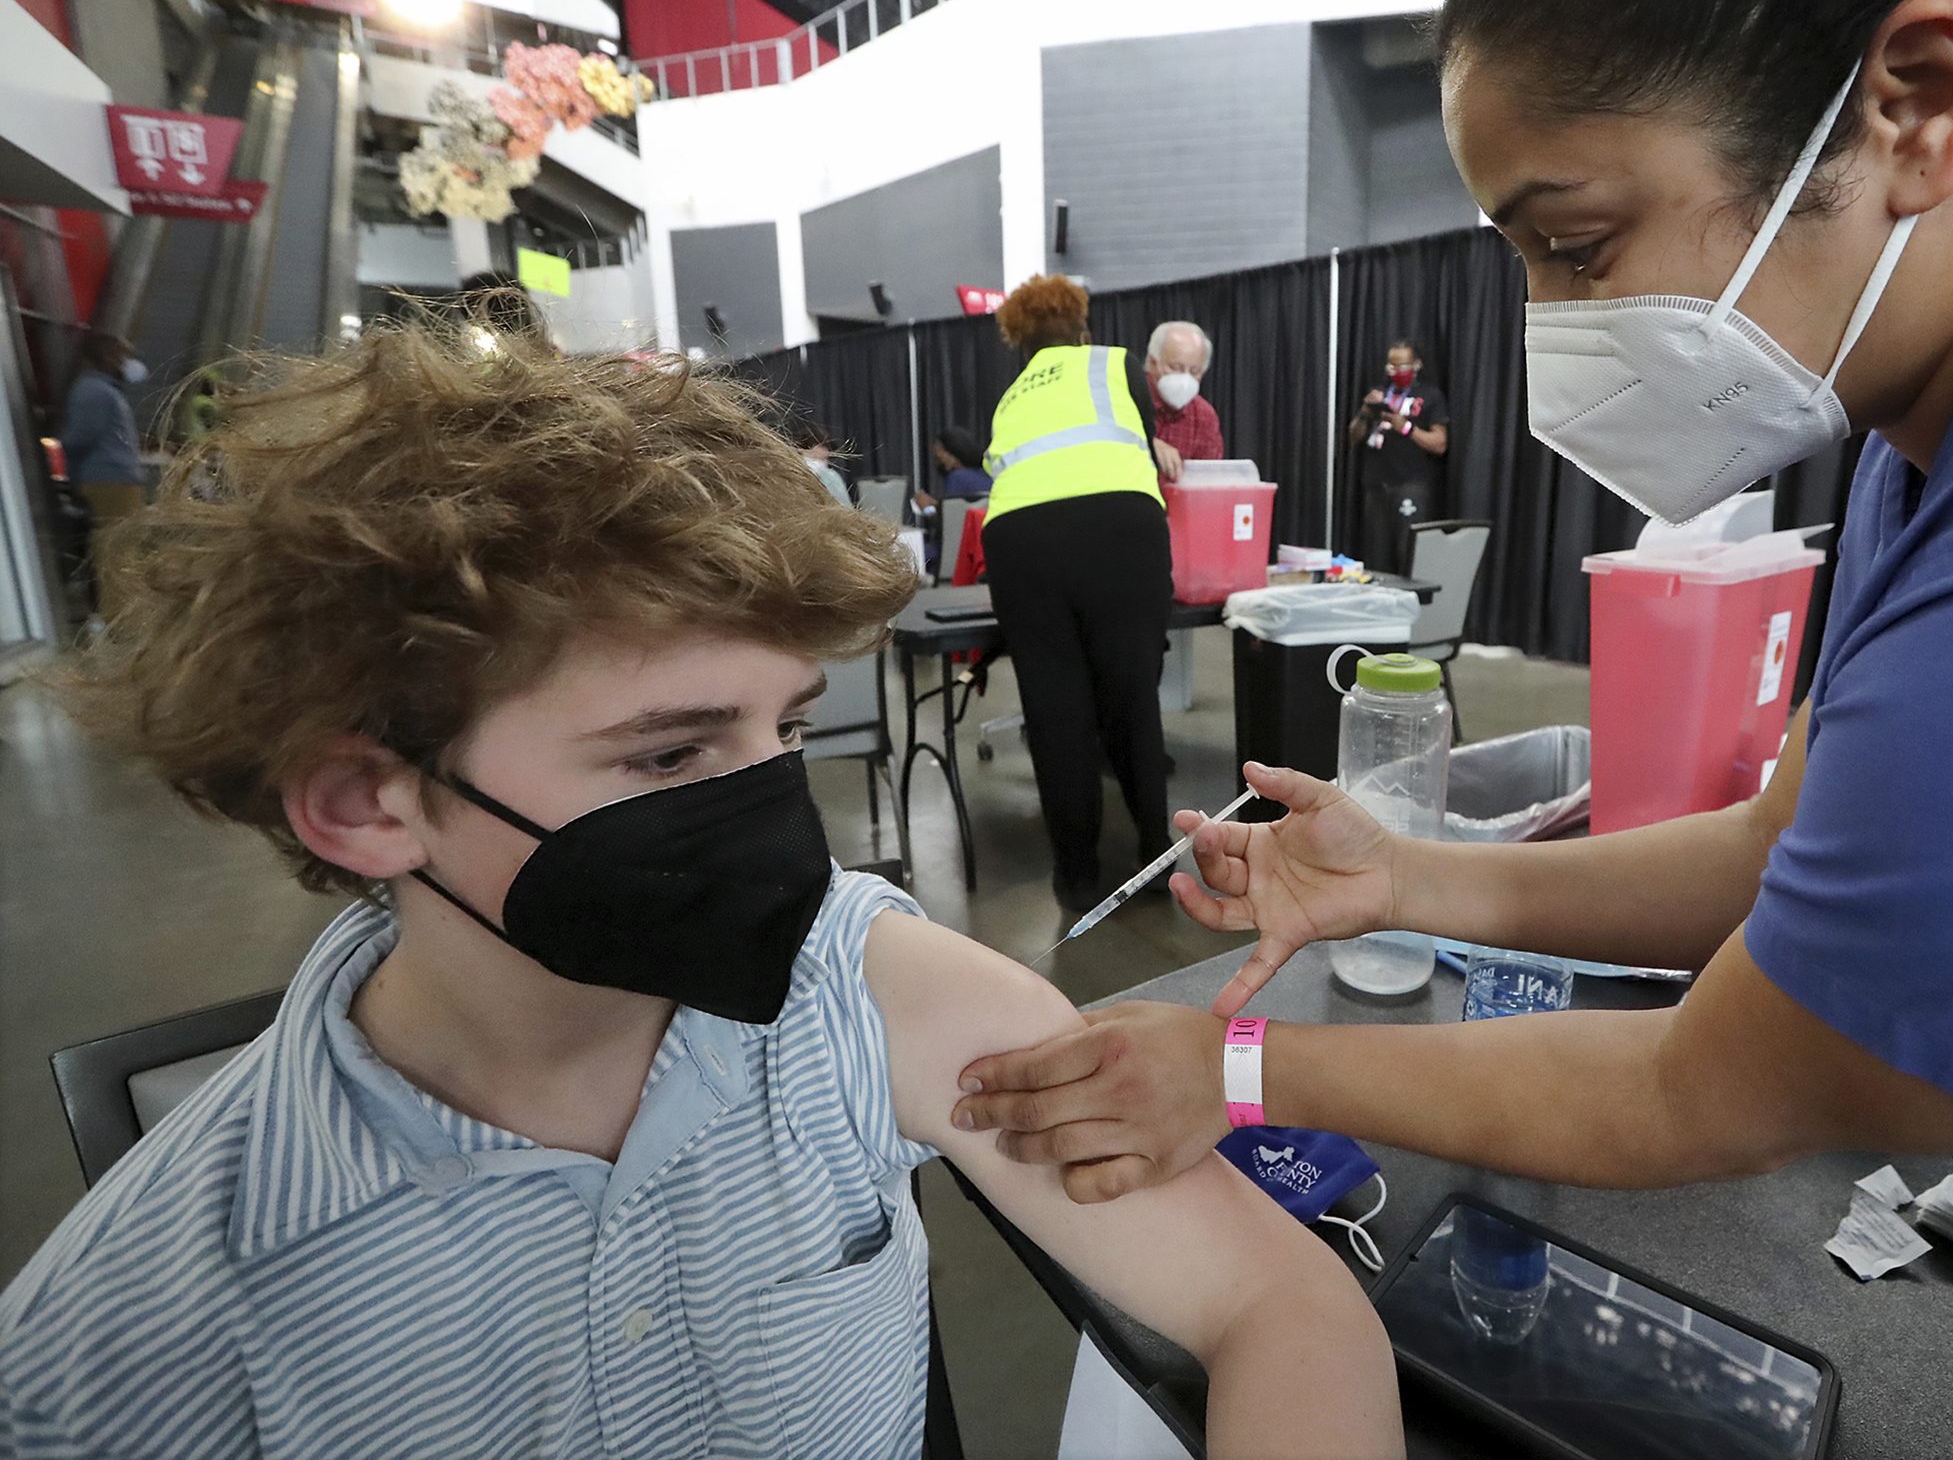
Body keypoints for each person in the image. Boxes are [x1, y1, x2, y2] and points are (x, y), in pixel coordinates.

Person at [947, 0, 1953, 1455]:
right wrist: (1415, 876)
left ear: (1914, 100)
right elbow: (1791, 841)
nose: (1555, 331)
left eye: (1578, 247)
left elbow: (1701, 1092)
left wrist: (1224, 1067)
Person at [0, 320, 1402, 1459]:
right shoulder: (135, 1333)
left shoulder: (866, 993)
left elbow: (1279, 1306)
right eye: (672, 750)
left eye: (783, 730)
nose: (772, 813)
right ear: (369, 801)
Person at [980, 276, 1176, 910]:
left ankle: (1075, 877)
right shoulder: (1114, 363)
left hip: (1017, 541)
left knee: (1054, 709)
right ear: (1081, 327)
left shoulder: (1010, 397)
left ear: (1021, 340)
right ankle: (1152, 862)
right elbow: (1139, 448)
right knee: (1131, 696)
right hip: (1117, 530)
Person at [58, 330, 150, 619]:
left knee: (124, 548)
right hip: (108, 481)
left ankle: (124, 615)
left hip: (117, 480)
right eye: (125, 356)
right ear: (108, 358)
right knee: (117, 551)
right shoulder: (94, 392)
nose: (130, 362)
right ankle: (121, 619)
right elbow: (78, 439)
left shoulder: (106, 391)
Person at [1344, 337, 1448, 573]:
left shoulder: (1430, 396)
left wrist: (1406, 427)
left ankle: (1413, 604)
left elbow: (1440, 444)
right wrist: (1364, 413)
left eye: (1403, 367)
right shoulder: (1379, 393)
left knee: (1409, 554)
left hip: (1411, 485)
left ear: (1417, 365)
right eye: (1392, 367)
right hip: (1376, 486)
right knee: (1376, 555)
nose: (1397, 372)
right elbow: (1354, 437)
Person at [1145, 320, 1224, 467]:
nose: (1185, 378)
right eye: (1176, 367)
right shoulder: (1124, 400)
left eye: (1194, 371)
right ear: (1152, 362)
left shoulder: (1204, 417)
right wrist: (1146, 444)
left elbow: (1208, 479)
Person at [910, 426, 995, 512]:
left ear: (951, 453)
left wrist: (926, 508)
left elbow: (950, 518)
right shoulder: (990, 473)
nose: (937, 464)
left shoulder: (957, 478)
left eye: (939, 459)